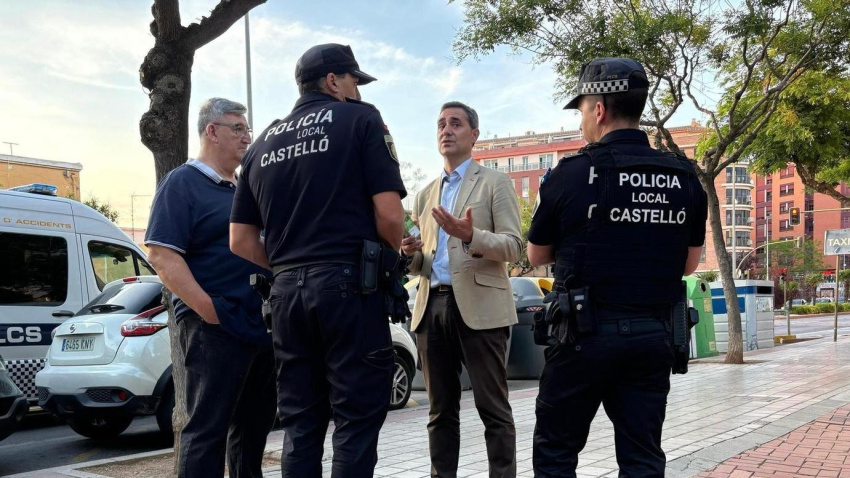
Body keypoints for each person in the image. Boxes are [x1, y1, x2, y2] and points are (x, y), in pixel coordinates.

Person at [229, 43, 406, 478]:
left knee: (301, 422)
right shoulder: (362, 120)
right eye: (353, 81)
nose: (357, 91)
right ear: (332, 81)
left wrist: (291, 267)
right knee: (356, 418)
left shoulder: (262, 142)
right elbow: (389, 216)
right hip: (349, 286)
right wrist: (392, 253)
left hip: (286, 295)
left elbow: (239, 240)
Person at [527, 57, 708, 477]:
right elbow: (689, 262)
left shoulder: (571, 174)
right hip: (651, 336)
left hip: (581, 337)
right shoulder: (685, 177)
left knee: (556, 453)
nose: (582, 120)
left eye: (583, 109)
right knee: (642, 456)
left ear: (600, 109)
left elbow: (537, 255)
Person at [145, 98, 277, 478]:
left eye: (247, 130)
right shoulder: (182, 183)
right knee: (207, 431)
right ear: (211, 131)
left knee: (252, 432)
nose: (246, 137)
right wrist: (209, 309)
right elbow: (162, 255)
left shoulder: (244, 189)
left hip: (258, 325)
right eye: (237, 128)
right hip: (213, 328)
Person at [401, 101, 522, 477]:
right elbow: (425, 263)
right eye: (440, 124)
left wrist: (471, 235)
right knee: (440, 412)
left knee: (493, 409)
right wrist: (409, 255)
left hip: (482, 307)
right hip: (430, 307)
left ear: (474, 135)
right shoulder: (425, 195)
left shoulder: (495, 183)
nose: (446, 130)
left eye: (456, 123)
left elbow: (515, 246)